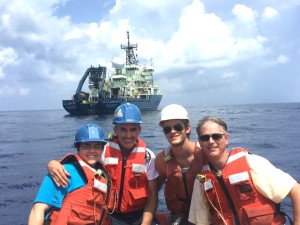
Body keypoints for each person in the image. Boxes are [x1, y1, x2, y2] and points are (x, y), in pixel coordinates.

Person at [46, 103, 159, 225]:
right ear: (116, 130)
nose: (128, 135)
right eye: (123, 129)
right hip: (110, 216)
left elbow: (152, 196)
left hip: (139, 216)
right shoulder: (103, 152)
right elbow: (78, 162)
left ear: (139, 130)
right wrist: (53, 163)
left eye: (133, 129)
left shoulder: (148, 157)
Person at [188, 116, 300, 225]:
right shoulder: (201, 180)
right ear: (200, 142)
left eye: (216, 136)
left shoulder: (252, 163)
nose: (211, 141)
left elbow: (296, 191)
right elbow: (201, 221)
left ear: (226, 139)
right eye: (205, 137)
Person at [28, 123, 112, 225]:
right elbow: (38, 210)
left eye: (97, 146)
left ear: (103, 149)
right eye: (86, 146)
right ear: (78, 148)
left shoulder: (101, 173)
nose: (92, 151)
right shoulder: (61, 172)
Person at [155, 104, 203, 225]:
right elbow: (152, 192)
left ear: (187, 128)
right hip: (177, 218)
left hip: (207, 216)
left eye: (177, 127)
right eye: (167, 129)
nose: (172, 132)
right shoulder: (162, 159)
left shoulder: (204, 154)